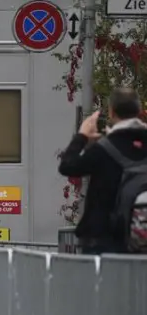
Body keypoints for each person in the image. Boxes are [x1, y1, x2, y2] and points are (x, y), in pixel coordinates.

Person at [58, 87, 147, 254]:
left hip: (103, 243)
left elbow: (67, 166)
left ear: (111, 112)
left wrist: (82, 136)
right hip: (140, 243)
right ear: (139, 111)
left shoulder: (104, 149)